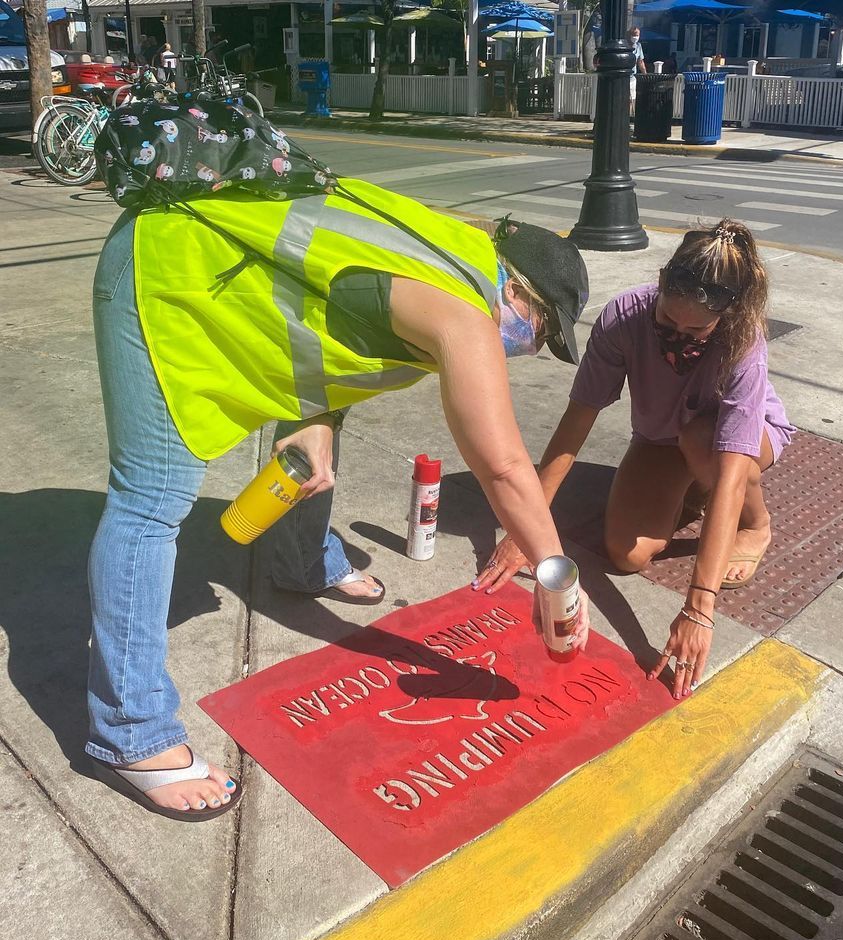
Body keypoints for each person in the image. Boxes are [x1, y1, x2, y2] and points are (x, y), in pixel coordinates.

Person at [87, 174, 593, 821]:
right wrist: (556, 580)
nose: (528, 345)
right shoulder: (463, 309)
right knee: (151, 501)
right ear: (517, 291)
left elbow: (329, 310)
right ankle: (129, 733)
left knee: (306, 454)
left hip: (205, 268)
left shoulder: (443, 246)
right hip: (167, 275)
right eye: (539, 328)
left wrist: (314, 419)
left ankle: (300, 563)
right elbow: (503, 466)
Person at [477, 220, 794, 701]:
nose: (678, 337)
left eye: (696, 330)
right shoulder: (624, 315)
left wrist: (698, 609)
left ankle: (756, 524)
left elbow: (731, 472)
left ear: (726, 316)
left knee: (702, 444)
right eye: (668, 323)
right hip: (661, 440)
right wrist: (527, 528)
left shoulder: (744, 340)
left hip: (738, 444)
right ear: (662, 282)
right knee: (626, 555)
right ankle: (689, 491)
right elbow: (577, 421)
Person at [628, 25, 647, 115]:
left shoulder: (638, 46)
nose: (636, 37)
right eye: (634, 35)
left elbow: (640, 61)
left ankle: (628, 119)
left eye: (637, 35)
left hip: (633, 77)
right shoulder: (625, 46)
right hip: (624, 77)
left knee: (632, 99)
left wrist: (645, 74)